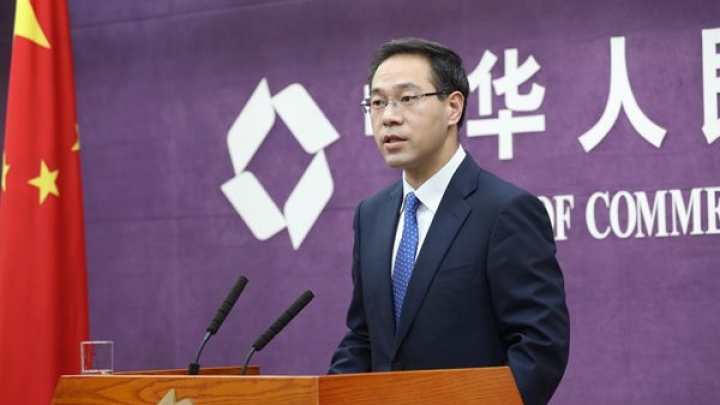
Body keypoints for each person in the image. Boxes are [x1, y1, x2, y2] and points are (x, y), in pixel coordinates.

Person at [328, 38, 570, 405]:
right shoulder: (370, 215)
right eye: (377, 102)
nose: (388, 116)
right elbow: (364, 338)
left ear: (453, 107)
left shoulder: (505, 210)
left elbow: (539, 347)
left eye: (406, 98)